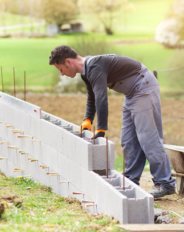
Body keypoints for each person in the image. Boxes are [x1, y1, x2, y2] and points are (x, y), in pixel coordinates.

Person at [49, 45, 176, 198]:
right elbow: (93, 97)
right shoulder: (86, 73)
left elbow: (102, 98)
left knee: (147, 137)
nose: (62, 74)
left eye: (61, 69)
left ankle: (165, 183)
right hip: (131, 94)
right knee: (128, 139)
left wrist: (101, 128)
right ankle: (131, 179)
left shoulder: (95, 66)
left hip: (143, 87)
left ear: (68, 62)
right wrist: (87, 119)